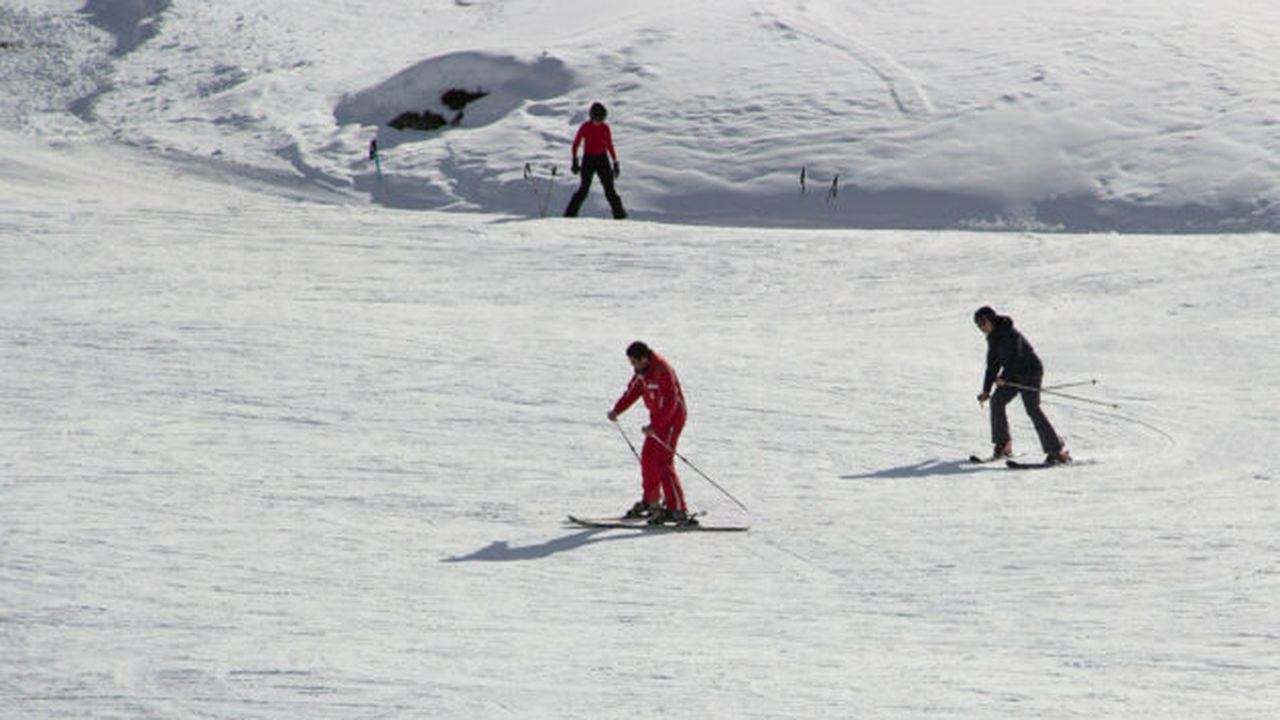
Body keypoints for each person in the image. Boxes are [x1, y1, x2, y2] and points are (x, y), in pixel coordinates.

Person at [606, 341, 693, 525]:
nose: (633, 367)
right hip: (658, 419)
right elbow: (633, 392)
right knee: (648, 458)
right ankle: (652, 502)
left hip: (672, 419)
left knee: (663, 461)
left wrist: (657, 425)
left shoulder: (662, 370)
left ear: (644, 359)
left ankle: (676, 508)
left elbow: (671, 401)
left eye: (634, 363)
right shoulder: (642, 373)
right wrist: (617, 410)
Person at [974, 306, 1071, 464]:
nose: (981, 328)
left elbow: (1017, 357)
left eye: (983, 323)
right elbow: (992, 366)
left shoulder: (1008, 333)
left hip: (1030, 371)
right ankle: (1003, 444)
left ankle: (1056, 451)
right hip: (1013, 375)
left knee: (1032, 408)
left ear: (991, 319)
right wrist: (986, 390)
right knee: (997, 401)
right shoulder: (993, 339)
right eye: (978, 325)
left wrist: (1004, 377)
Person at [564, 102, 627, 219]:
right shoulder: (585, 127)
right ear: (592, 117)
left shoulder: (605, 128)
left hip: (603, 159)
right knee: (584, 189)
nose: (599, 122)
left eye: (602, 119)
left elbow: (609, 145)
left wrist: (615, 163)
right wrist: (574, 161)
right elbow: (576, 144)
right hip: (588, 160)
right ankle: (569, 215)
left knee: (610, 190)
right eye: (597, 119)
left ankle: (620, 215)